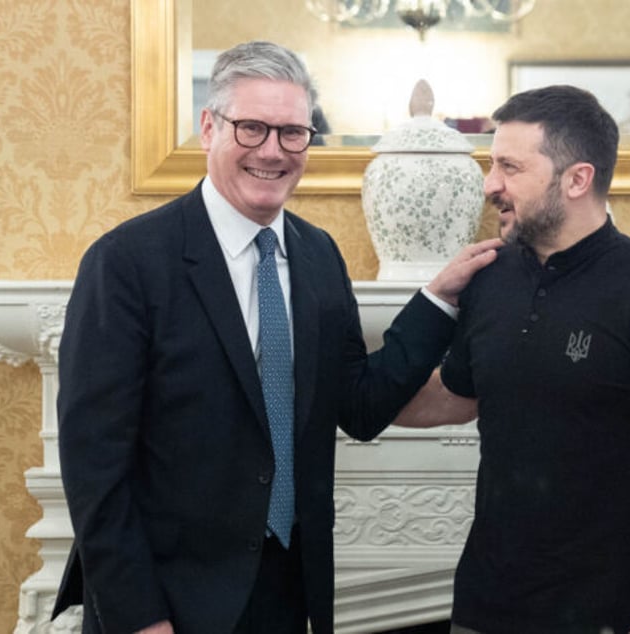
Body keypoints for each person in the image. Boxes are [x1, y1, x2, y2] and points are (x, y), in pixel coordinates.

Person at [51, 40, 500, 634]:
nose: (273, 151)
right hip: (168, 603)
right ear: (209, 127)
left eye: (293, 133)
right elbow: (93, 464)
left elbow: (359, 406)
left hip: (290, 594)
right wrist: (139, 618)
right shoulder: (127, 262)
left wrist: (438, 298)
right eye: (252, 128)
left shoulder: (317, 255)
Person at [393, 85, 630, 634]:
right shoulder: (489, 276)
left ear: (577, 179)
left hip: (603, 616)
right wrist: (334, 391)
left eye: (509, 167)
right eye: (491, 163)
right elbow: (454, 396)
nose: (489, 184)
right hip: (484, 607)